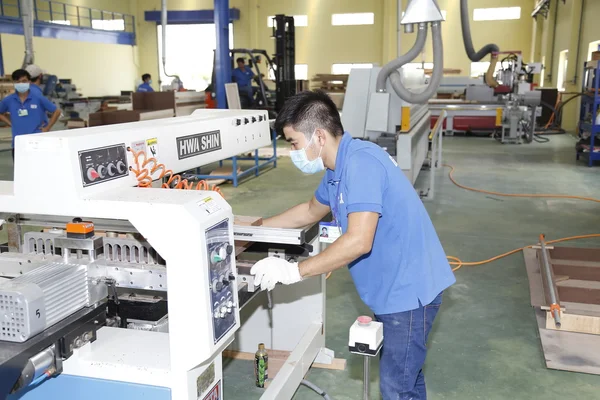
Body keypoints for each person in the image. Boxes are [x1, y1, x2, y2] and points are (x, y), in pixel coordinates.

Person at [250, 90, 456, 400]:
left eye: (293, 143)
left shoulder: (361, 162)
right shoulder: (336, 169)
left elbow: (359, 240)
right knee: (406, 377)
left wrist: (294, 271)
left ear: (318, 136)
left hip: (409, 292)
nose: (293, 151)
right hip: (391, 288)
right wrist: (254, 229)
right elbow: (309, 211)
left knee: (397, 386)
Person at [0, 69, 61, 160]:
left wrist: (47, 128)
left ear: (29, 81)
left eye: (24, 81)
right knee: (20, 172)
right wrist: (10, 123)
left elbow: (57, 111)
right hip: (18, 144)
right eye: (18, 81)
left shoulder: (38, 98)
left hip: (37, 142)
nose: (21, 84)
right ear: (14, 83)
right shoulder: (9, 100)